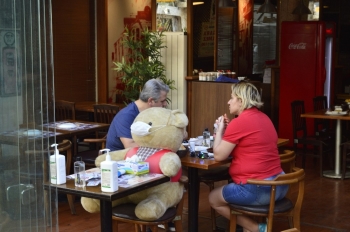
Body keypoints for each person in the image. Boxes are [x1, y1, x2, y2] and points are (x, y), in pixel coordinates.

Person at [208, 82, 288, 232]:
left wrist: (219, 130)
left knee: (213, 198)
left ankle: (257, 228)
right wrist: (226, 130)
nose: (228, 102)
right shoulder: (264, 117)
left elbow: (218, 155)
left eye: (232, 98)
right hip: (280, 185)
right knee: (235, 188)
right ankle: (249, 229)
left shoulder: (240, 122)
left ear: (241, 100)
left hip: (260, 189)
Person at [106, 78, 170, 151]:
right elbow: (130, 146)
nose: (165, 104)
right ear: (151, 101)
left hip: (139, 157)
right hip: (118, 159)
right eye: (162, 101)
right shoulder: (126, 115)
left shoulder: (152, 113)